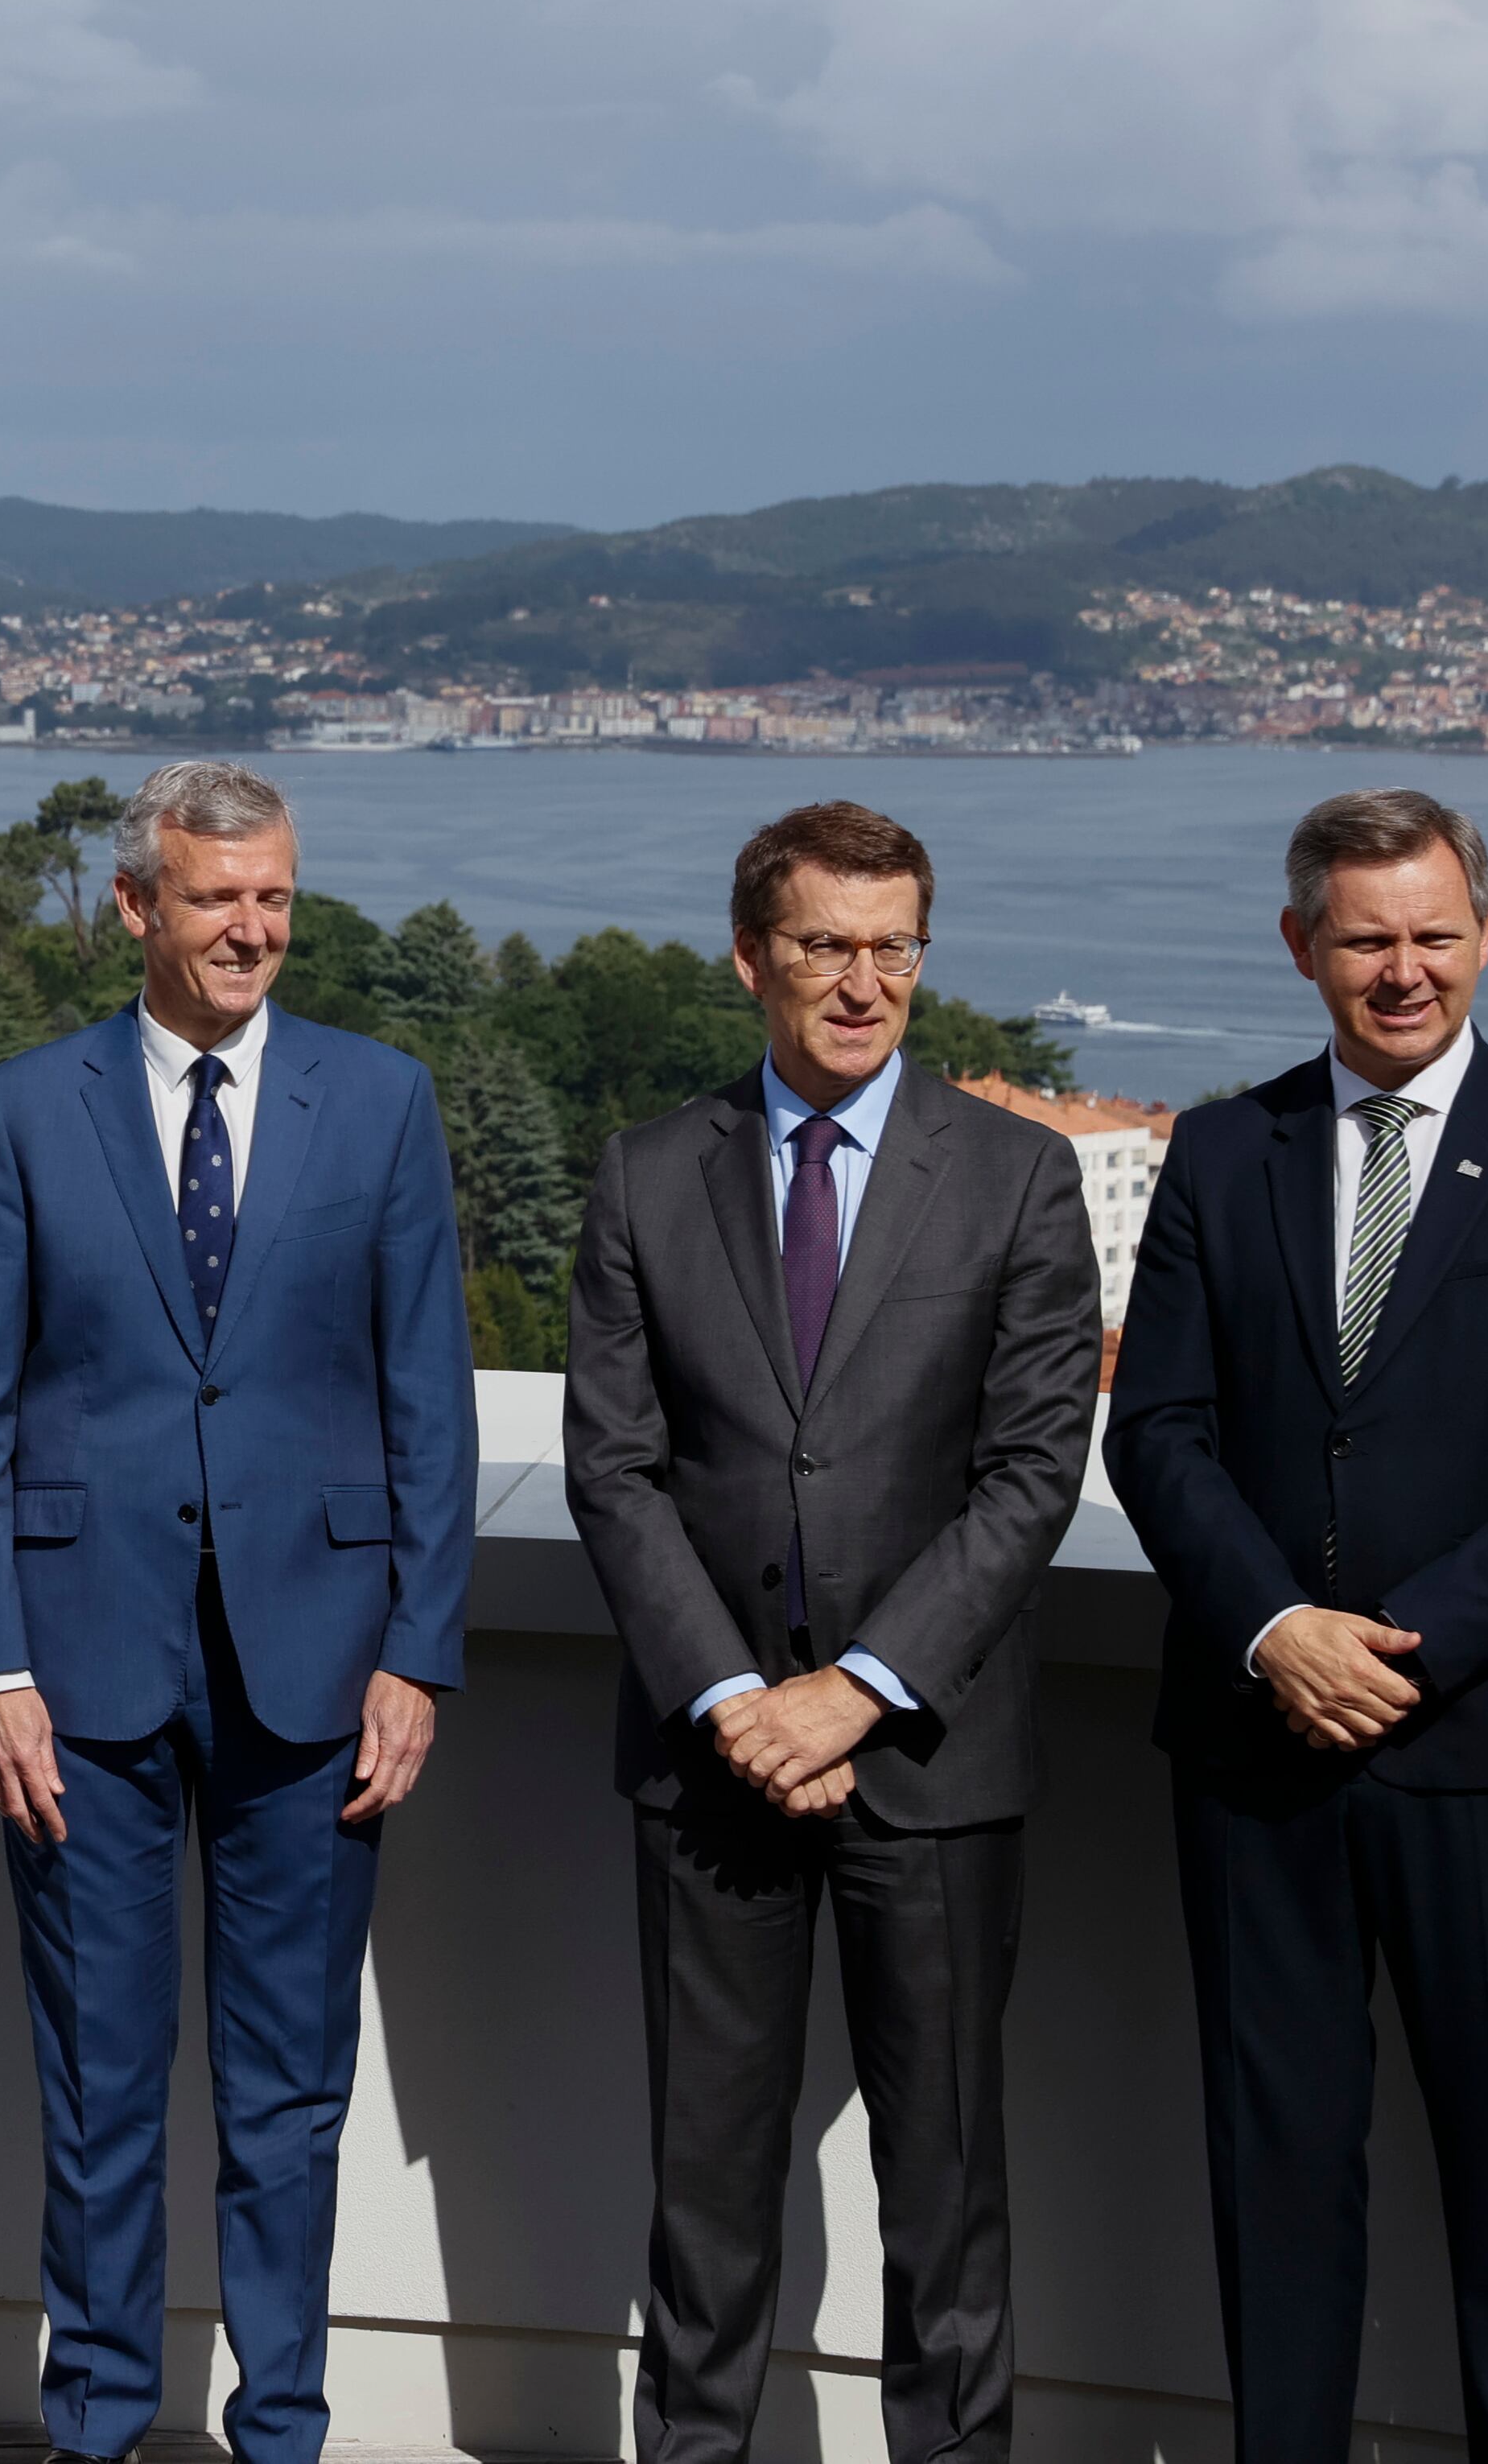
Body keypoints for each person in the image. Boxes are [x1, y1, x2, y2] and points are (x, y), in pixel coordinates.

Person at [0, 757, 471, 2464]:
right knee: (95, 2087)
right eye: (219, 897)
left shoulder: (377, 1101)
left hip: (318, 1671)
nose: (252, 929)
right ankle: (90, 2423)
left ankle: (281, 2429)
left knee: (288, 2095)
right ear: (135, 906)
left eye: (276, 897)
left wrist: (416, 1653)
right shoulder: (25, 1106)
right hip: (77, 1668)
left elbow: (427, 1406)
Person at [563, 801, 1098, 2464]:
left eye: (892, 947)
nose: (862, 981)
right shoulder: (650, 1173)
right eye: (823, 945)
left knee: (943, 2204)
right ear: (751, 957)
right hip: (708, 1760)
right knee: (702, 2197)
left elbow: (1029, 1473)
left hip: (930, 1761)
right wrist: (735, 1695)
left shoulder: (1016, 1173)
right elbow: (614, 1462)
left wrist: (851, 1693)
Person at [1107, 786, 1488, 2464]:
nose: (1401, 970)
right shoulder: (1225, 1149)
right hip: (1256, 1749)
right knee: (1273, 2163)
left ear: (1486, 936)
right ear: (1300, 944)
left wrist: (1396, 1644)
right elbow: (1154, 1425)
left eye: (1433, 933)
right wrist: (1277, 1626)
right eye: (1364, 936)